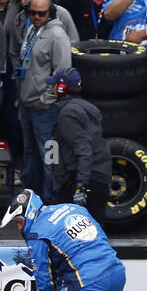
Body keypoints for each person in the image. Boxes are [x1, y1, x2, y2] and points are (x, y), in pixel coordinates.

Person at [12, 0, 72, 201]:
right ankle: (32, 196)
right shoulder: (32, 28)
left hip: (44, 108)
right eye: (32, 13)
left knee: (49, 155)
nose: (36, 17)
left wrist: (45, 101)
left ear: (51, 12)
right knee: (30, 153)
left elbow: (63, 75)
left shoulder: (57, 35)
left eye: (41, 13)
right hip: (27, 104)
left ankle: (50, 199)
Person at [49, 67, 112, 226]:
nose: (52, 88)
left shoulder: (68, 113)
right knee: (94, 232)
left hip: (87, 178)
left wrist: (81, 187)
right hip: (99, 176)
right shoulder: (84, 108)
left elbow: (84, 150)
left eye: (54, 84)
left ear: (62, 88)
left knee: (60, 226)